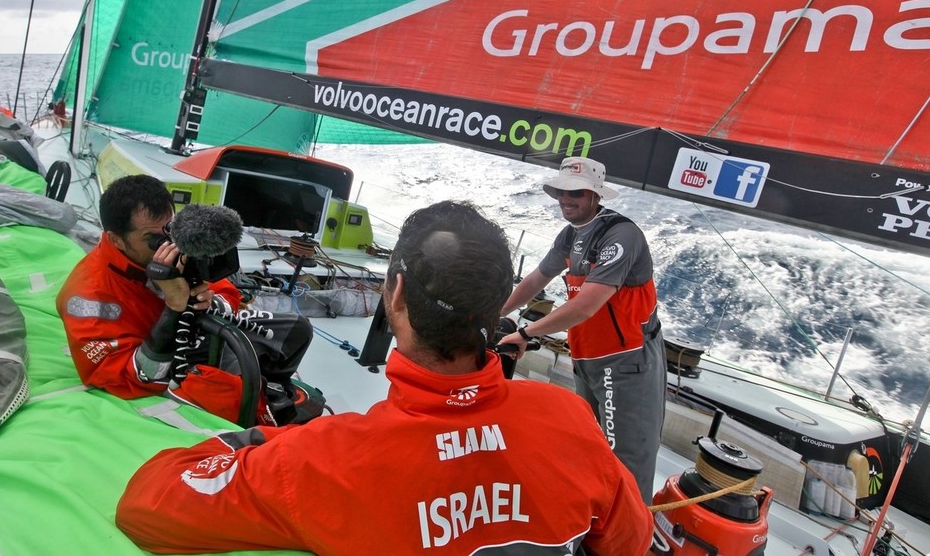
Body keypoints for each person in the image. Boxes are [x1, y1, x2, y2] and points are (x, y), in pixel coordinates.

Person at [116, 200, 653, 555]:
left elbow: (146, 502)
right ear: (498, 306)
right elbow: (630, 541)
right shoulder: (567, 419)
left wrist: (264, 438)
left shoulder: (327, 459)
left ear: (394, 297)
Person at [57, 174, 311, 423]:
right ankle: (259, 409)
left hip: (194, 332)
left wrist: (210, 302)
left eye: (169, 232)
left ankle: (270, 391)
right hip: (158, 360)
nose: (167, 246)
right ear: (116, 239)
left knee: (296, 331)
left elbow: (225, 290)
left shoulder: (173, 246)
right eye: (152, 240)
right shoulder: (87, 295)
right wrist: (174, 307)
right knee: (234, 390)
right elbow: (130, 375)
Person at [497, 157, 665, 504]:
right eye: (560, 191)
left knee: (627, 461)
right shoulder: (570, 234)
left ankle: (628, 535)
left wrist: (526, 334)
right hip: (586, 358)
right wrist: (494, 313)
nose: (565, 199)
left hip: (626, 363)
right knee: (585, 442)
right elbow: (535, 279)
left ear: (594, 195)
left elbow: (586, 305)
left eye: (575, 192)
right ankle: (591, 516)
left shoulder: (621, 235)